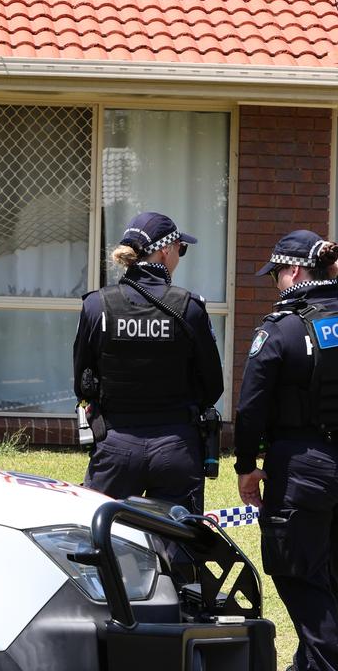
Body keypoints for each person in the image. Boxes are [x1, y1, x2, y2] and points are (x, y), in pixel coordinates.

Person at [234, 230, 338, 671]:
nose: (276, 283)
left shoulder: (281, 329)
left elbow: (250, 408)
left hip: (305, 471)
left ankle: (322, 665)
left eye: (277, 274)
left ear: (295, 270)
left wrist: (246, 467)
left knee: (301, 578)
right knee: (324, 580)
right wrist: (334, 276)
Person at [73, 211, 224, 513]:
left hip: (115, 444)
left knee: (105, 544)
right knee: (176, 548)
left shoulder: (96, 305)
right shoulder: (189, 307)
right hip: (176, 445)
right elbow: (212, 385)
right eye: (181, 249)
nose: (180, 256)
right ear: (165, 251)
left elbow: (82, 382)